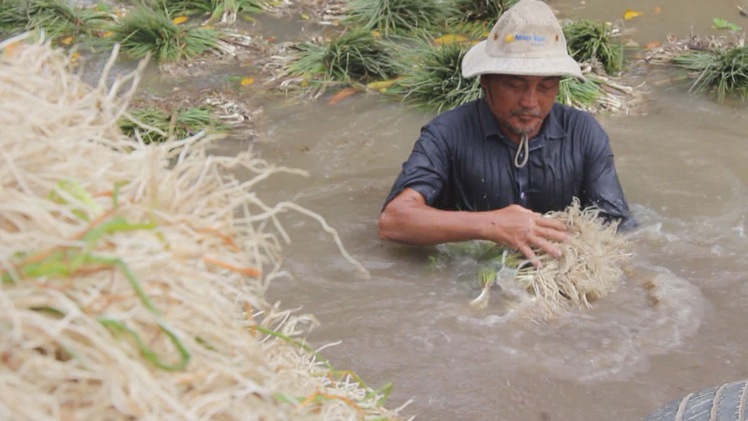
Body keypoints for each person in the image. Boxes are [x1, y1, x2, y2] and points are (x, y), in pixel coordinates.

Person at [378, 0, 635, 267]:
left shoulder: (583, 133)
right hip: (470, 275)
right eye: (515, 84)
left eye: (546, 86)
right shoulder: (446, 134)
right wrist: (490, 225)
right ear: (485, 81)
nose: (530, 102)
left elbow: (617, 228)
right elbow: (394, 222)